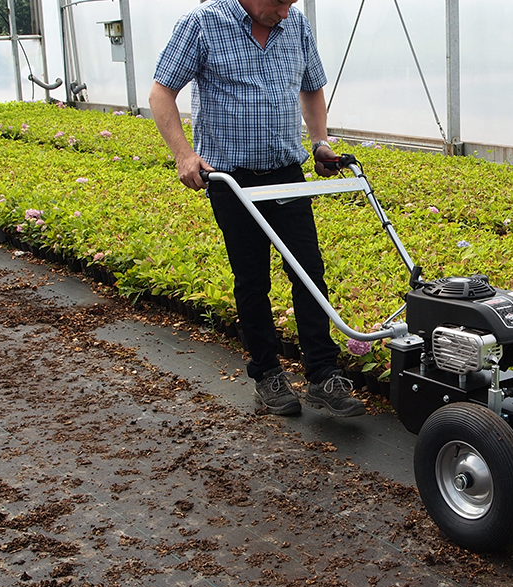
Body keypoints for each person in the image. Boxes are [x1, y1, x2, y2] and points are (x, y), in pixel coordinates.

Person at [150, 0, 364, 418]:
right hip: (231, 177)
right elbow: (162, 92)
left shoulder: (295, 24)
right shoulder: (202, 24)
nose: (285, 12)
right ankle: (267, 374)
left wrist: (319, 140)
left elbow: (312, 85)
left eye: (291, 2)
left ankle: (323, 374)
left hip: (286, 169)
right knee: (252, 279)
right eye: (278, 2)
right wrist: (183, 155)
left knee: (308, 272)